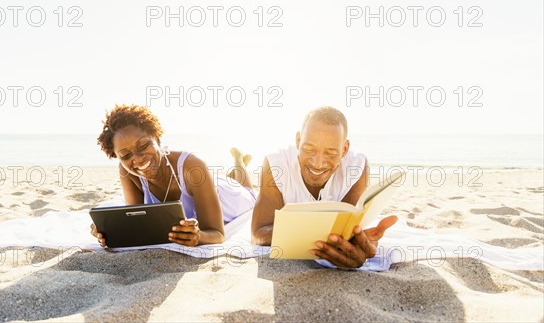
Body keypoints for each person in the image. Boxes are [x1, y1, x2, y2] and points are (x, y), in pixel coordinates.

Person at [250, 106, 398, 269]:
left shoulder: (356, 166)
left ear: (344, 149)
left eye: (331, 153)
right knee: (246, 194)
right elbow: (258, 233)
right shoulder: (275, 164)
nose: (317, 163)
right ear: (298, 141)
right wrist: (323, 239)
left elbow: (355, 228)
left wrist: (361, 245)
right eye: (308, 149)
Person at [90, 104, 256, 247]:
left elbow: (217, 234)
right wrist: (109, 232)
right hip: (207, 184)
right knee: (225, 180)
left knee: (246, 190)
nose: (138, 159)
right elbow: (137, 223)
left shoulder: (192, 166)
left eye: (143, 145)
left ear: (157, 138)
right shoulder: (128, 172)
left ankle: (239, 161)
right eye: (125, 156)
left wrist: (199, 237)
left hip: (229, 197)